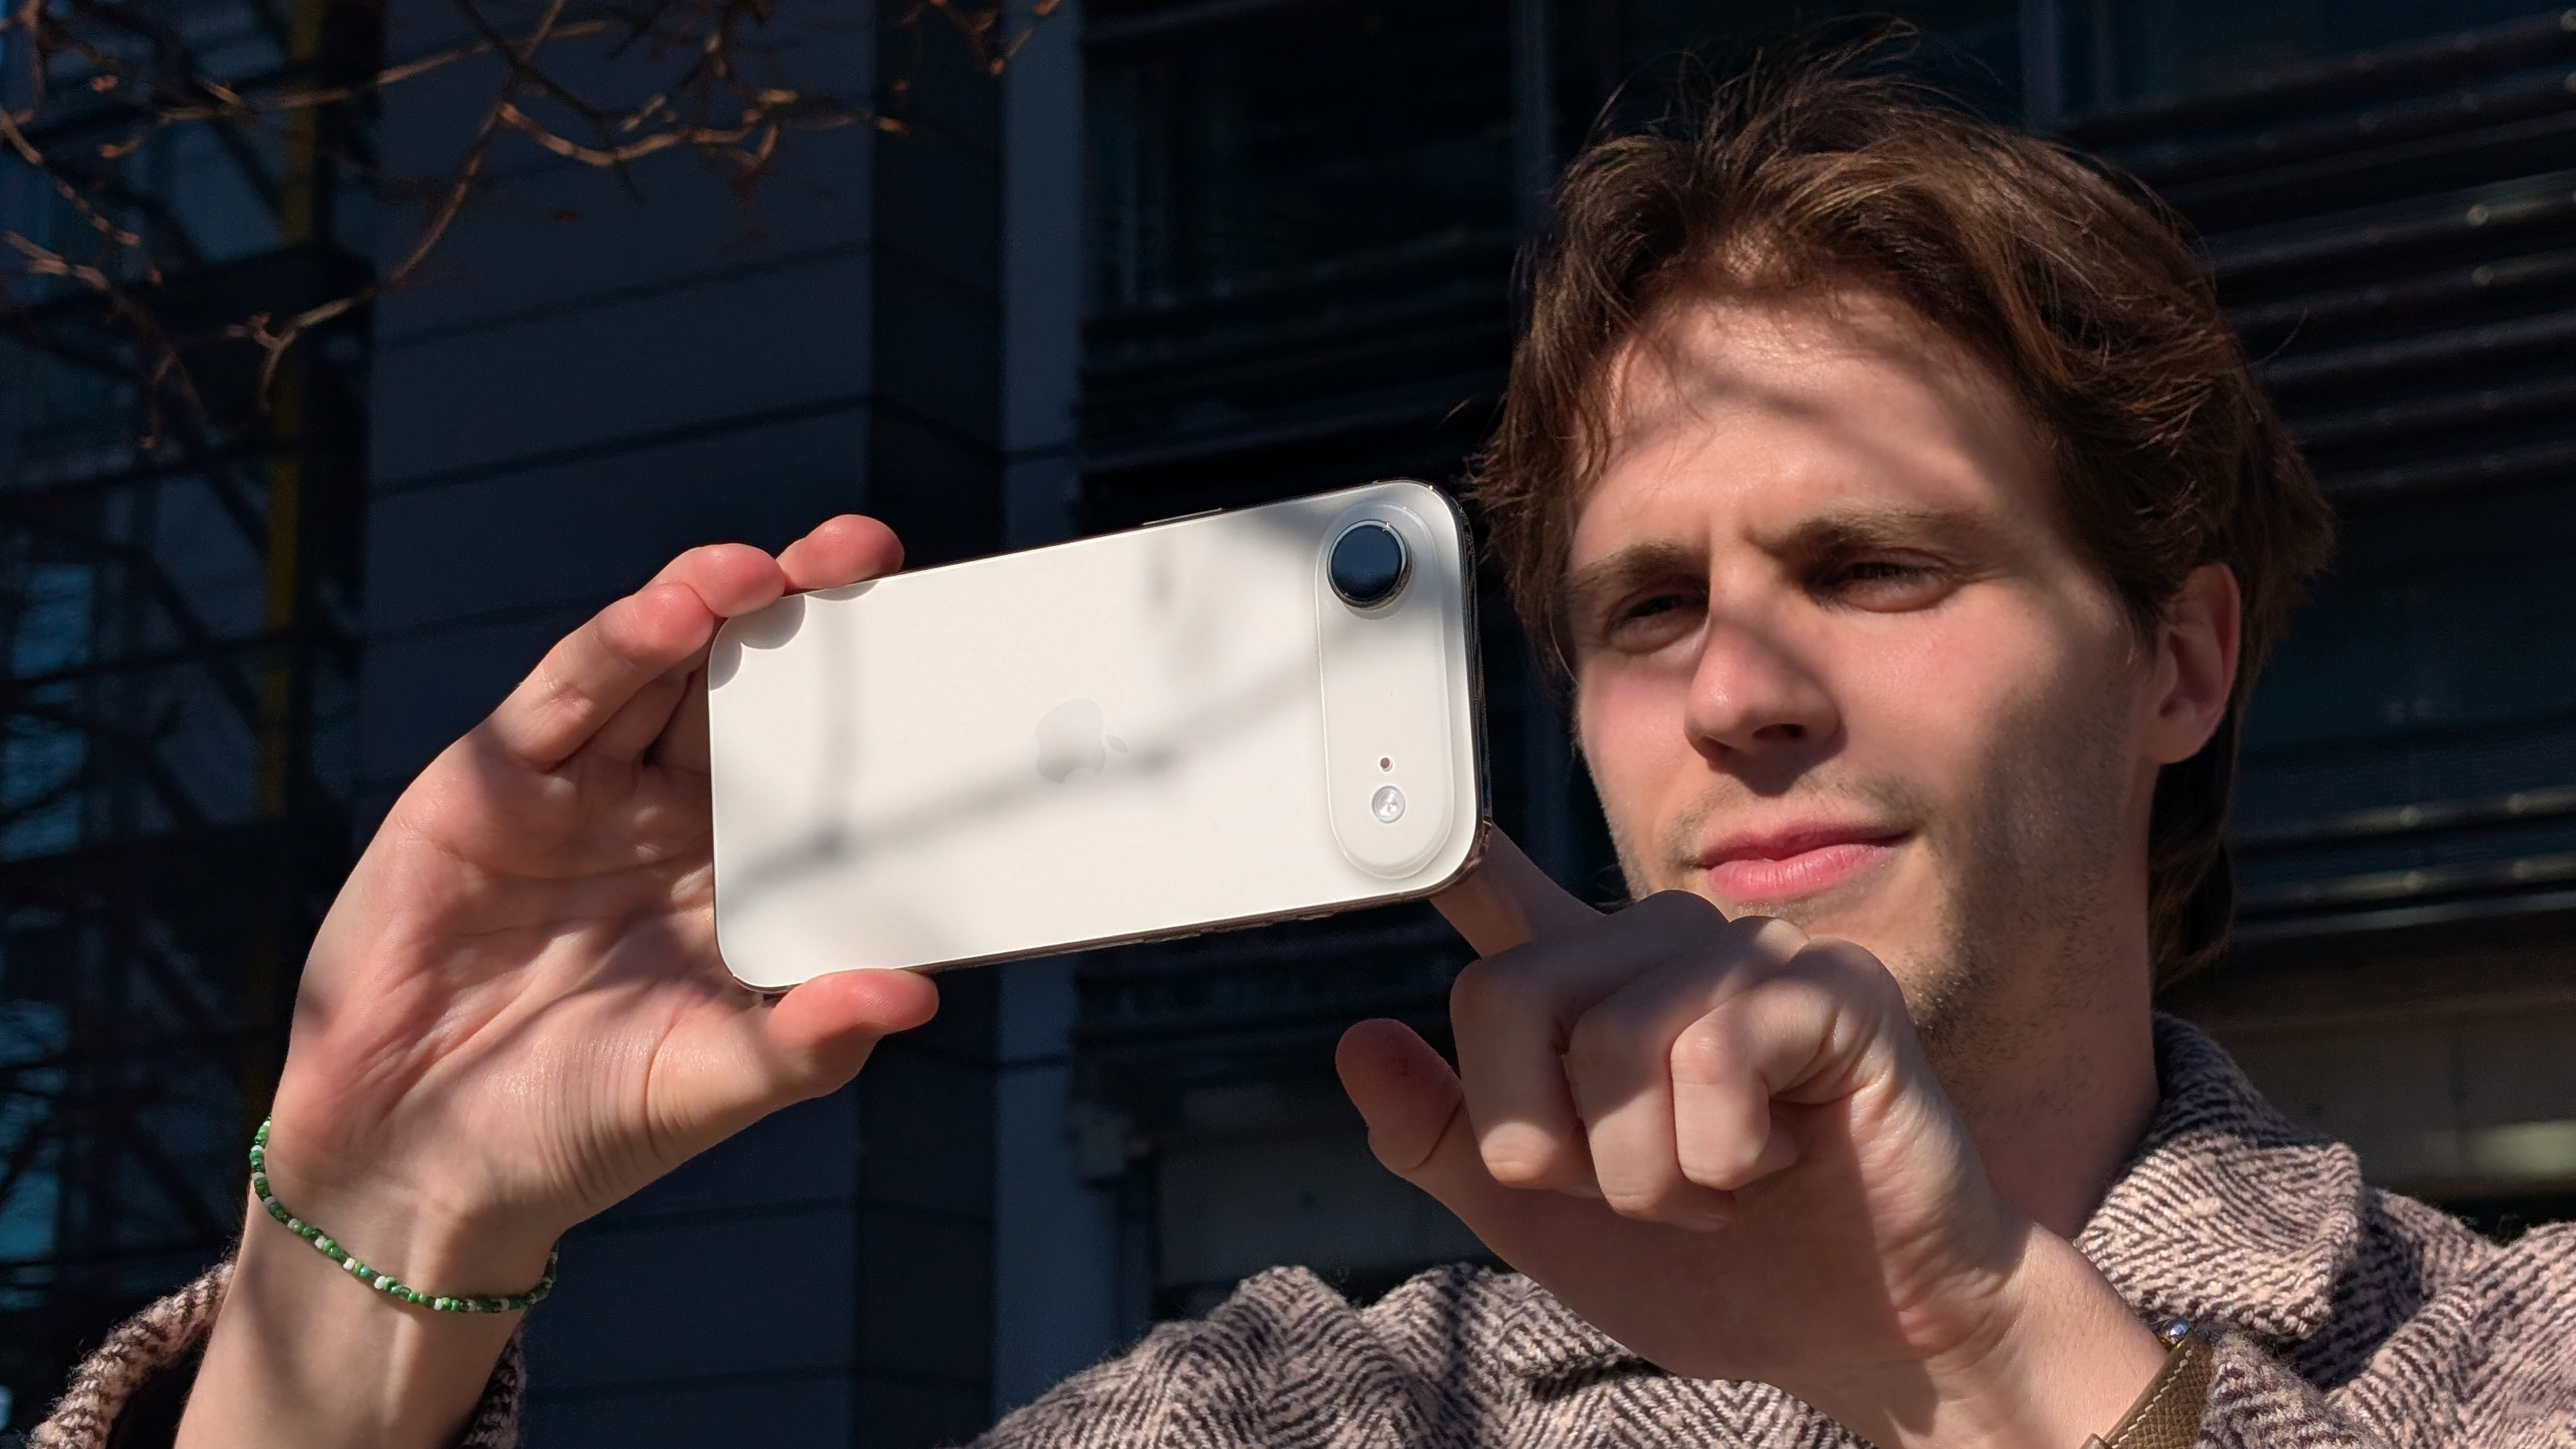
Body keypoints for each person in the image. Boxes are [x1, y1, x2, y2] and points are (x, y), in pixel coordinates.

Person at [35, 38, 2576, 1449]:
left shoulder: (2504, 1358)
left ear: (2179, 665)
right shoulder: (1292, 1409)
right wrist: (371, 1258)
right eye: (1646, 607)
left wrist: (1997, 1361)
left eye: (1878, 565)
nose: (1739, 691)